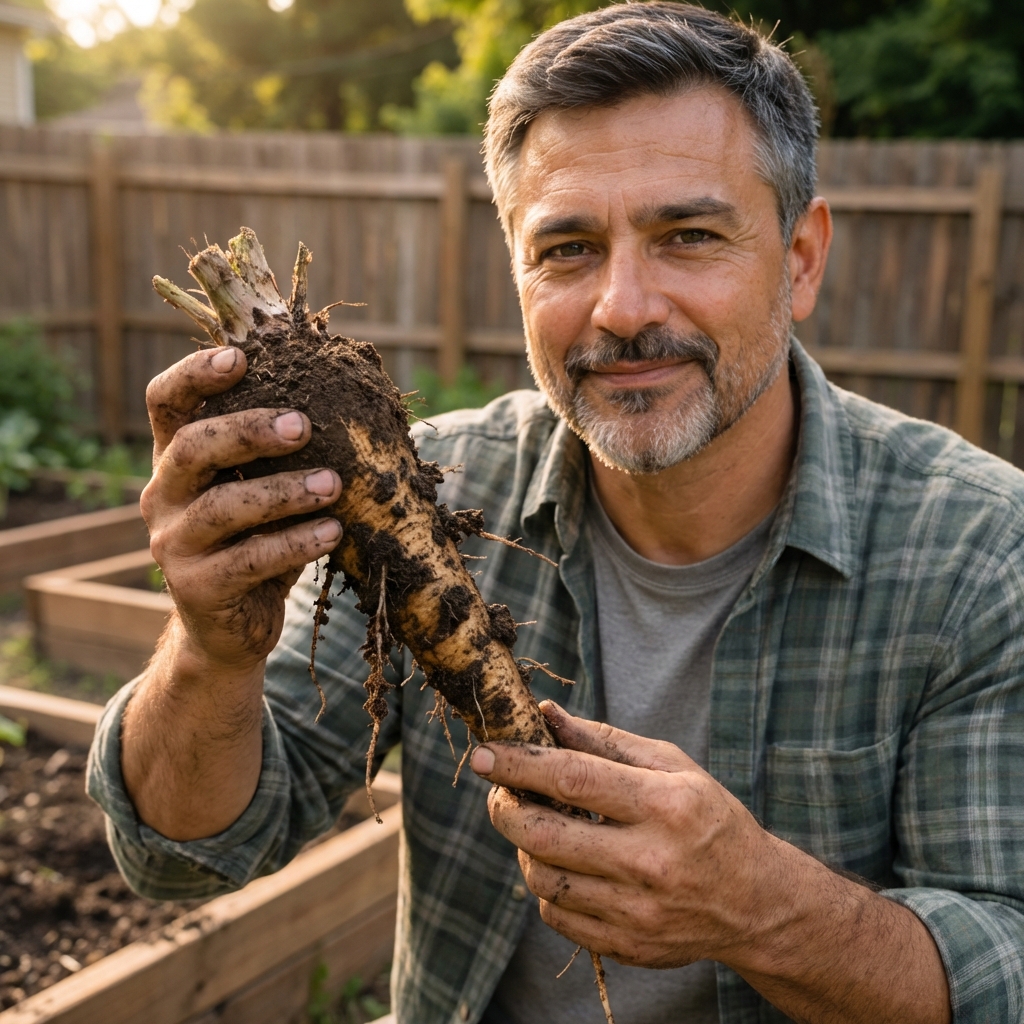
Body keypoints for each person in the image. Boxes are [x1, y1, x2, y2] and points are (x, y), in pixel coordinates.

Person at [88, 5, 1024, 1023]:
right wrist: (208, 651)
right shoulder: (424, 489)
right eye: (568, 248)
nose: (622, 306)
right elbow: (188, 857)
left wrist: (763, 907)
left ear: (799, 260)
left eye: (689, 235)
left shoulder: (980, 553)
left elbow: (1005, 960)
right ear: (517, 272)